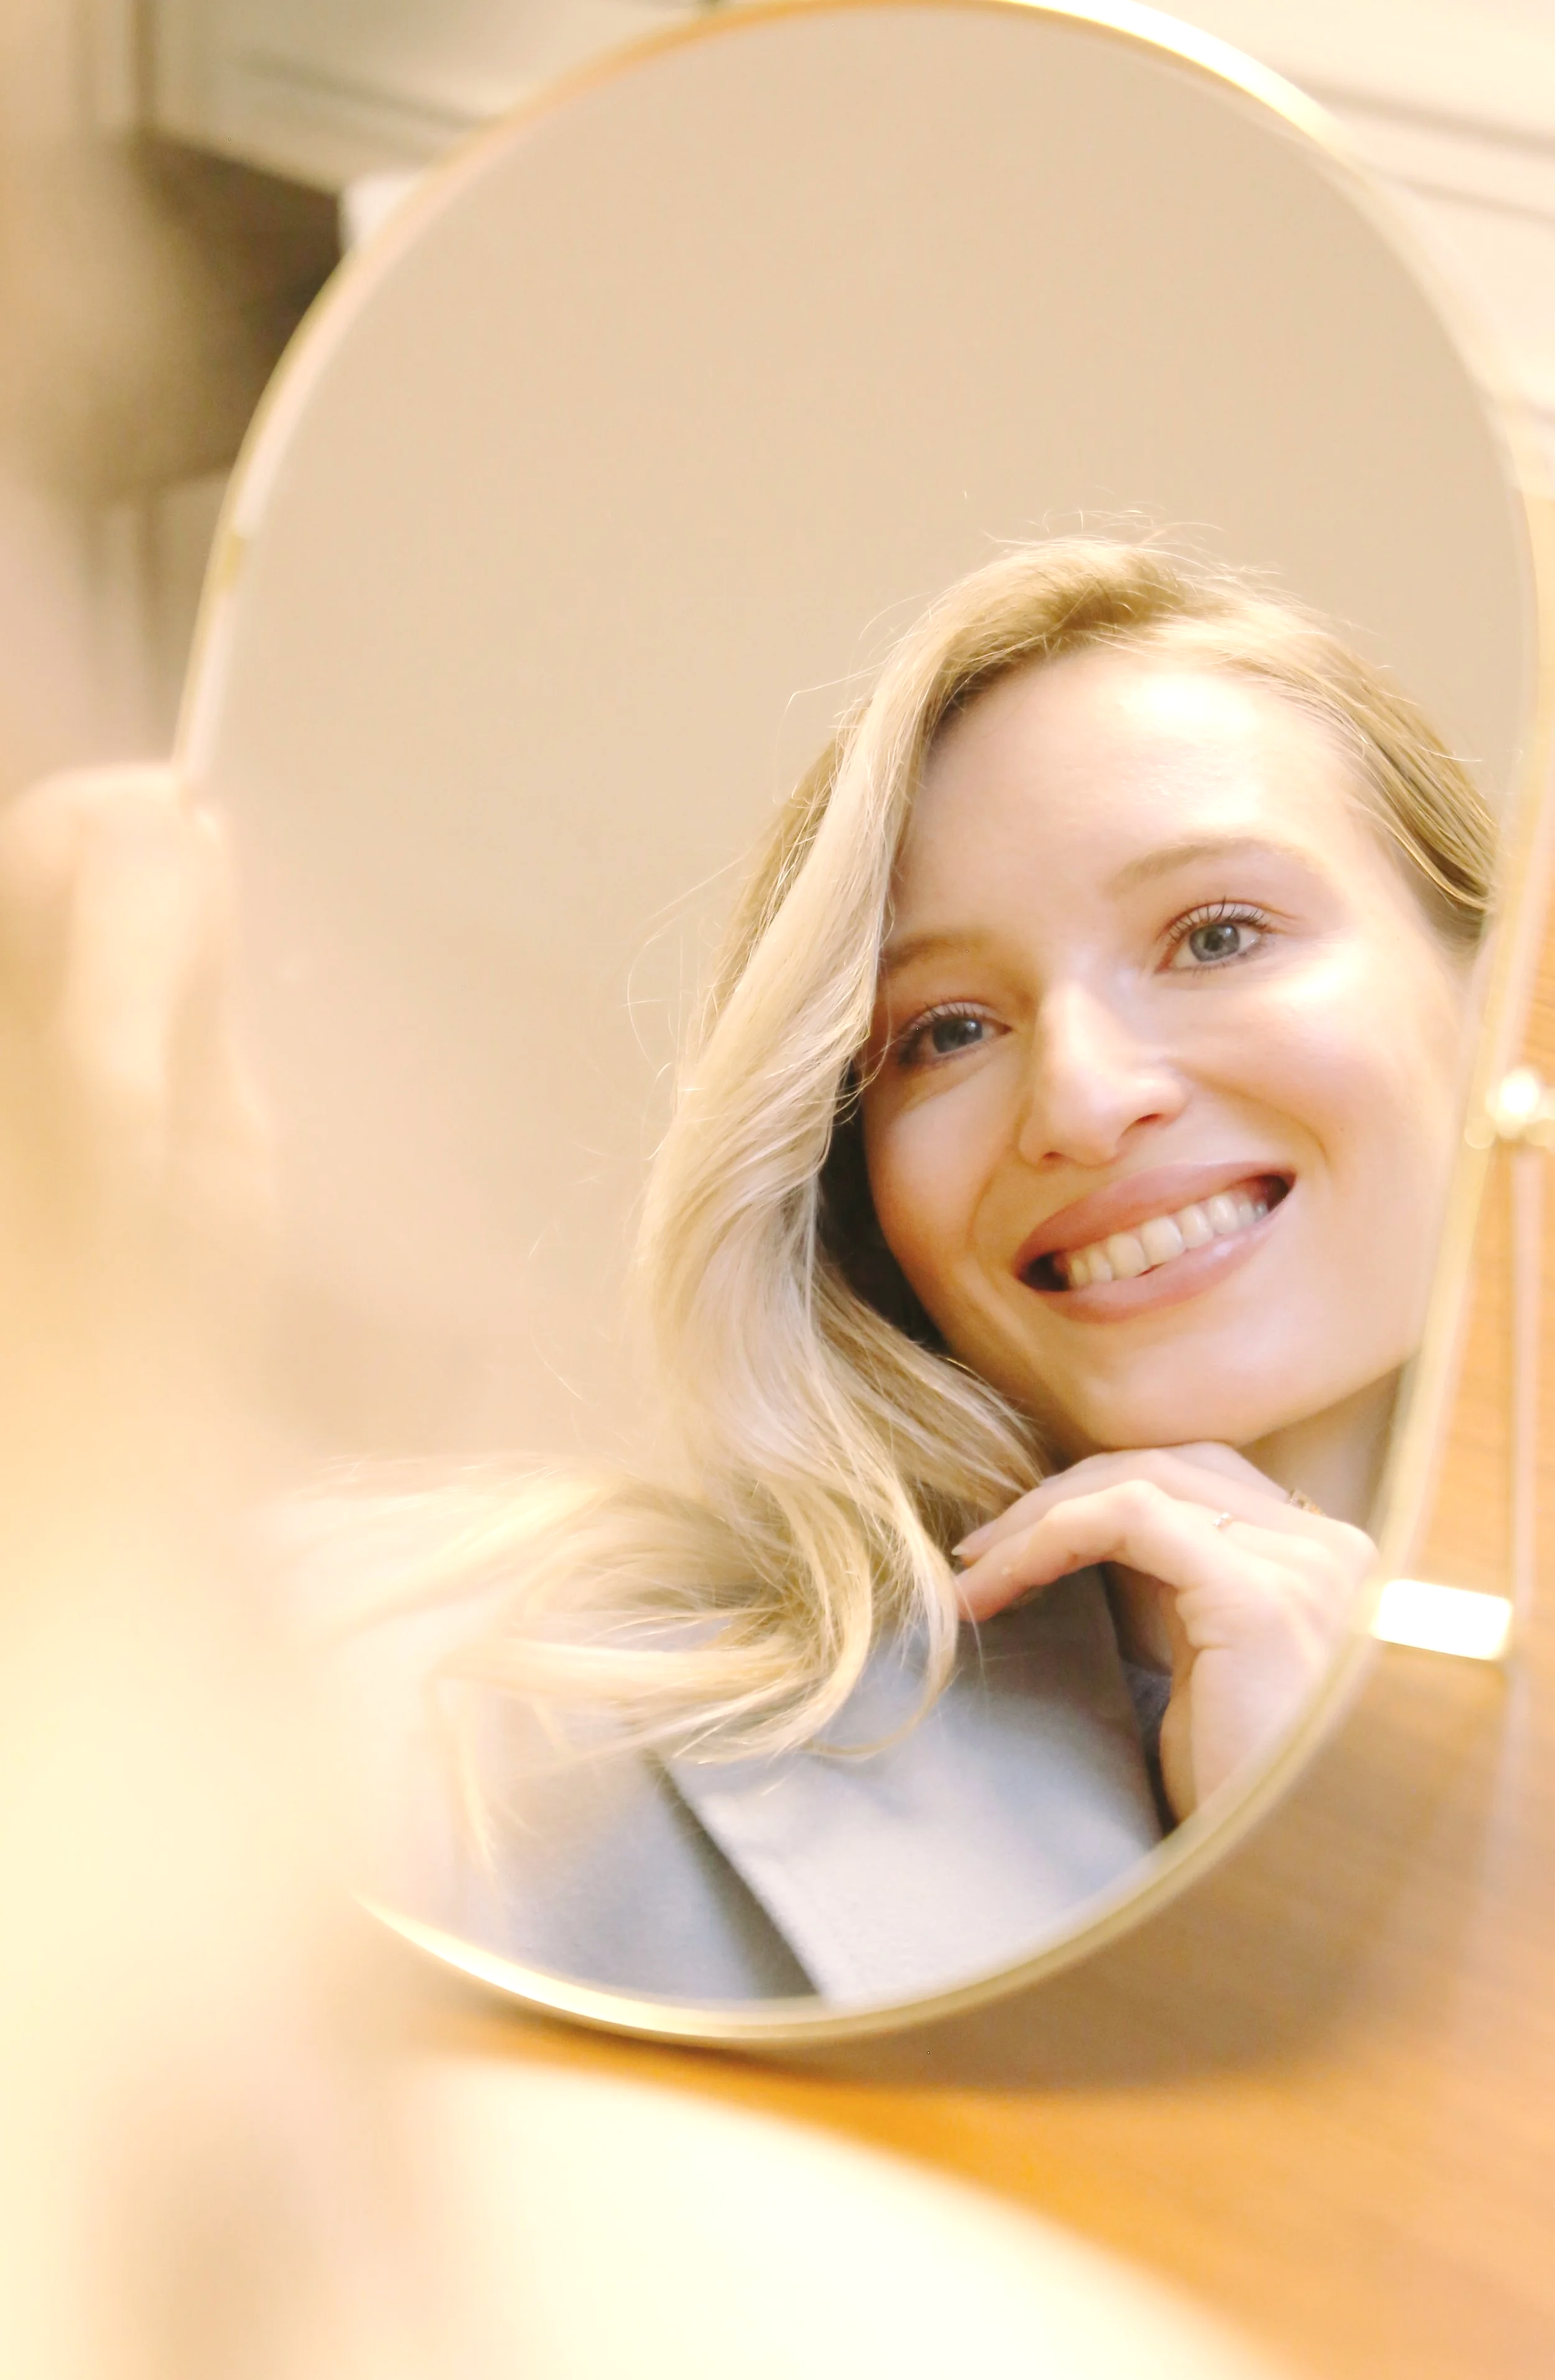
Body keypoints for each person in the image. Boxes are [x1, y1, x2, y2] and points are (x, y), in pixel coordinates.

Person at [7, 539, 1494, 2010]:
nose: (1082, 1100)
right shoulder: (498, 1685)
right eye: (946, 1030)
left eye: (1214, 934)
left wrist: (1340, 1897)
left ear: (1494, 1001)